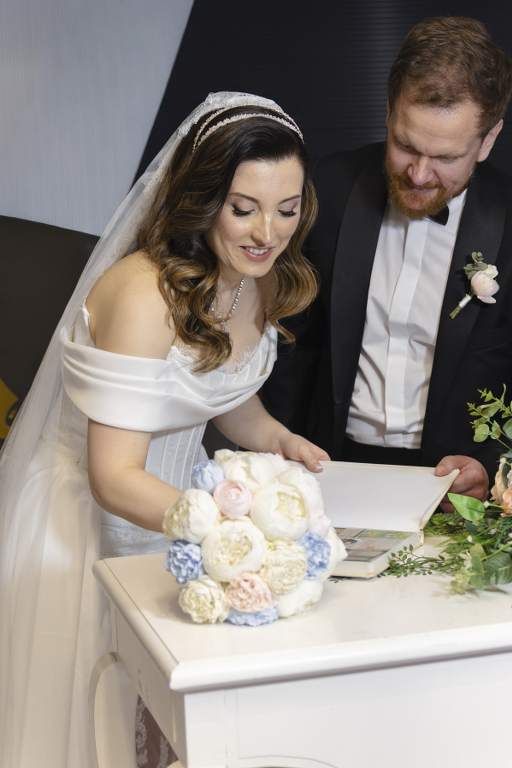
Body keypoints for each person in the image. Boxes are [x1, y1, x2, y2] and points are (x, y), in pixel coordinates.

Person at [0, 91, 328, 768]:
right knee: (90, 728)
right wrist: (230, 532)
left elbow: (211, 393)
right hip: (87, 525)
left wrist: (276, 439)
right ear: (203, 201)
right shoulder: (143, 296)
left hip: (179, 520)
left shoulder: (256, 279)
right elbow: (112, 475)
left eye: (287, 209)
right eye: (244, 208)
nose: (267, 232)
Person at [263, 16, 512, 504]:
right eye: (405, 145)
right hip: (325, 470)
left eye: (445, 158)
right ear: (388, 112)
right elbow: (291, 345)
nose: (418, 174)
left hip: (456, 491)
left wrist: (492, 467)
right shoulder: (328, 189)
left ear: (488, 141)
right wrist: (279, 461)